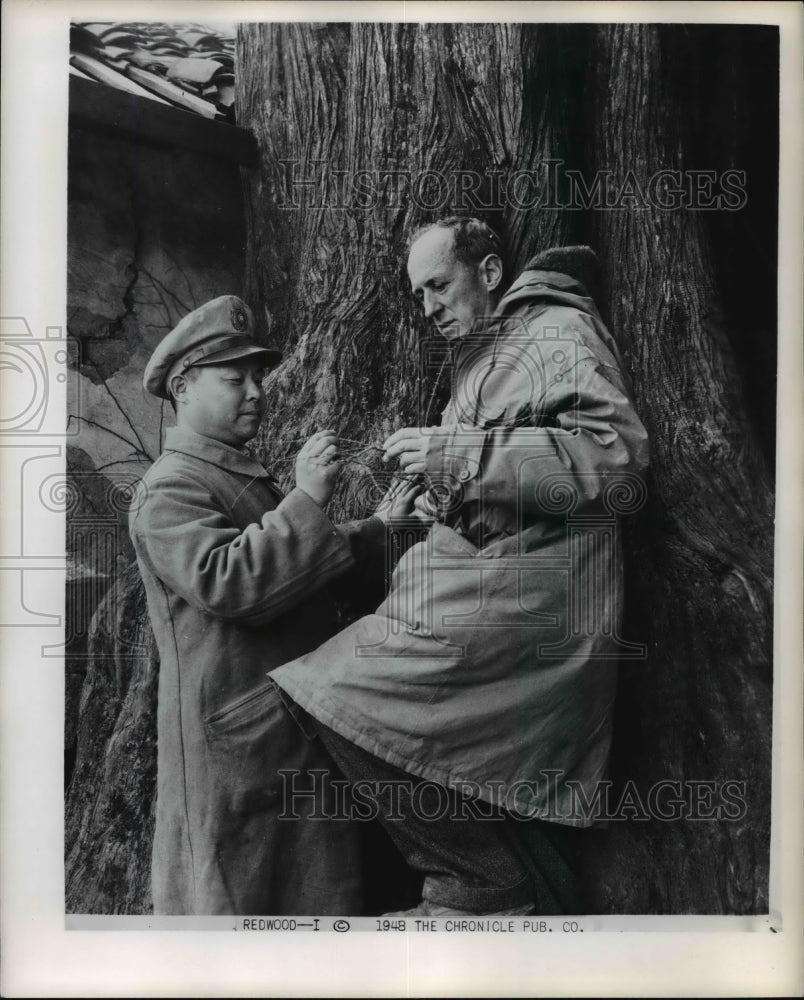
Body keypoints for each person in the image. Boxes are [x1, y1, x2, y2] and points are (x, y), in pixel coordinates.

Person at [269, 218, 650, 916]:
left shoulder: (553, 333)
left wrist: (460, 457)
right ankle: (505, 886)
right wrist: (430, 500)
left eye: (439, 285)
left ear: (492, 272)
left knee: (329, 688)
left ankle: (478, 883)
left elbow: (616, 460)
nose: (429, 308)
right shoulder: (488, 356)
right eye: (419, 296)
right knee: (330, 694)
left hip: (538, 605)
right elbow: (498, 478)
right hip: (489, 592)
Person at [129, 294, 416, 915]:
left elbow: (296, 571)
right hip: (235, 752)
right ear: (182, 387)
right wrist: (308, 499)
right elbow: (231, 582)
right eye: (235, 379)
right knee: (241, 915)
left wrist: (379, 528)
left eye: (258, 376)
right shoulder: (169, 488)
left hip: (274, 732)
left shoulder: (232, 476)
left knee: (305, 901)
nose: (256, 391)